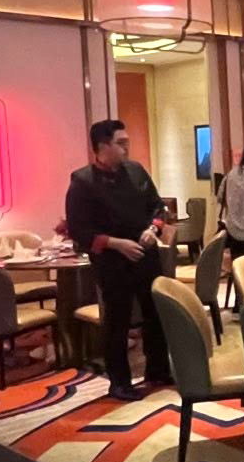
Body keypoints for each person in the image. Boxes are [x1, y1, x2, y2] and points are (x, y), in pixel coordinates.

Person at [65, 118, 173, 400]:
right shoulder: (83, 182)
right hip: (112, 263)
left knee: (156, 314)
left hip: (146, 255)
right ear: (103, 146)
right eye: (121, 143)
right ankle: (120, 382)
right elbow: (79, 230)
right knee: (117, 322)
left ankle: (158, 370)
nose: (127, 148)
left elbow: (157, 207)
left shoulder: (136, 171)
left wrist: (153, 229)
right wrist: (116, 244)